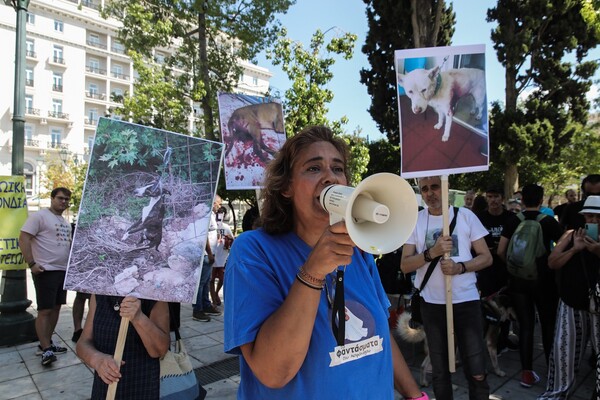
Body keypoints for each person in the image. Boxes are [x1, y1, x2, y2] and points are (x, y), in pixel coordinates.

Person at [223, 126, 426, 399]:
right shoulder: (253, 251)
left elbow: (378, 339)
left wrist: (416, 396)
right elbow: (273, 372)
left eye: (338, 168)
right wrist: (313, 271)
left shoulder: (359, 250)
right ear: (286, 187)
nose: (330, 176)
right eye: (313, 168)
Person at [401, 176, 493, 400]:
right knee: (439, 371)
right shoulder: (415, 221)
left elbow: (486, 257)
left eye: (434, 186)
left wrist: (460, 267)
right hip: (432, 305)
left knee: (477, 369)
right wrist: (431, 252)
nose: (430, 193)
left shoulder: (465, 216)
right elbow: (405, 265)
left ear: (446, 187)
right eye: (424, 189)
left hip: (465, 302)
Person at [497, 183, 563, 388]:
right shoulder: (550, 222)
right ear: (541, 200)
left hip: (518, 282)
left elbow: (500, 251)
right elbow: (561, 249)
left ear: (522, 200)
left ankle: (526, 373)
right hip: (544, 281)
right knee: (548, 325)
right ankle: (553, 372)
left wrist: (513, 267)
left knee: (525, 326)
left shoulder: (513, 220)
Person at [538, 195, 600, 400]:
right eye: (589, 216)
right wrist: (575, 249)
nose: (593, 221)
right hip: (572, 302)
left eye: (598, 217)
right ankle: (557, 393)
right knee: (564, 352)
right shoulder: (572, 234)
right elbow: (552, 262)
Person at [76, 295, 170, 399]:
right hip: (105, 388)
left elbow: (160, 350)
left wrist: (139, 318)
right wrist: (96, 360)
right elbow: (83, 343)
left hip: (143, 386)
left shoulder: (155, 293)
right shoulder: (100, 293)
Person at [19, 187, 72, 366]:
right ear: (52, 198)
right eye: (60, 198)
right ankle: (45, 348)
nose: (63, 202)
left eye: (66, 199)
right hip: (45, 271)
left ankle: (47, 344)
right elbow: (24, 237)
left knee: (56, 308)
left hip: (62, 271)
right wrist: (31, 263)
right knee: (45, 310)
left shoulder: (64, 222)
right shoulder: (39, 216)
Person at [475, 186, 515, 352]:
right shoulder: (480, 218)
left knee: (505, 311)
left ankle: (503, 341)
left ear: (503, 198)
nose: (493, 200)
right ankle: (485, 343)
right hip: (486, 272)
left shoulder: (511, 218)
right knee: (487, 310)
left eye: (496, 196)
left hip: (506, 270)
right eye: (489, 196)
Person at [192, 194, 223, 322]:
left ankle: (205, 304)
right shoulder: (206, 215)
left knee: (205, 281)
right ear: (214, 203)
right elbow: (203, 236)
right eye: (219, 204)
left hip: (210, 254)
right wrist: (209, 252)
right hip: (205, 254)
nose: (220, 206)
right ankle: (197, 309)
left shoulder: (211, 215)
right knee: (200, 283)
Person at [210, 206, 234, 306]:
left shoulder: (226, 227)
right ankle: (214, 299)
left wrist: (227, 240)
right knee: (211, 279)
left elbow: (232, 239)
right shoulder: (212, 225)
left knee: (222, 278)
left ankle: (215, 294)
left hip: (222, 256)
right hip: (213, 253)